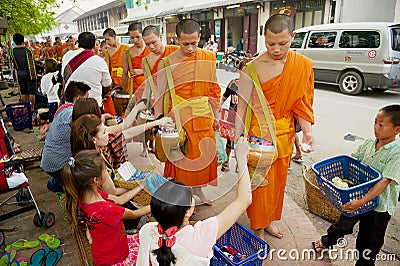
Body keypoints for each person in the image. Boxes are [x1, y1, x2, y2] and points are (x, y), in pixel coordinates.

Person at [234, 14, 315, 240]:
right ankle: (257, 227)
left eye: (283, 43)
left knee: (277, 183)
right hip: (259, 137)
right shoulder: (252, 68)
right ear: (263, 38)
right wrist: (236, 138)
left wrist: (308, 133)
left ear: (293, 37)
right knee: (260, 185)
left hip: (284, 134)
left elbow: (302, 104)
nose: (276, 49)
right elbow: (241, 107)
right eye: (270, 44)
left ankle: (268, 220)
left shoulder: (302, 66)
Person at [137, 136, 252, 265]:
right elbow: (244, 200)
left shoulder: (148, 230)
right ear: (188, 211)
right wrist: (241, 158)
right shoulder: (201, 235)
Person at [313, 104, 400, 266]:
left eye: (381, 125)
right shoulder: (368, 144)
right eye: (375, 122)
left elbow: (385, 181)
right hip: (356, 196)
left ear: (397, 129)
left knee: (369, 240)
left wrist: (362, 202)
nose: (376, 128)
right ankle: (327, 241)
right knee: (342, 226)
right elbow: (352, 162)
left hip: (379, 206)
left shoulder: (397, 152)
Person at [154, 19, 221, 205]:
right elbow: (159, 94)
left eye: (194, 43)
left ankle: (198, 191)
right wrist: (159, 121)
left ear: (200, 37)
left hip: (202, 116)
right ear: (176, 39)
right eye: (185, 44)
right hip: (178, 118)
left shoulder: (208, 57)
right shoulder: (167, 63)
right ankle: (184, 199)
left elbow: (213, 89)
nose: (190, 48)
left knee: (203, 156)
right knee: (182, 160)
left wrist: (217, 115)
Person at [62, 149, 151, 265]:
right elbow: (134, 214)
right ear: (95, 180)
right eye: (105, 170)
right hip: (116, 255)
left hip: (102, 252)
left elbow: (119, 199)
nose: (108, 172)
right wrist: (157, 205)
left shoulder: (84, 195)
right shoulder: (106, 209)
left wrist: (141, 185)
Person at [130, 24, 179, 157]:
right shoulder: (147, 61)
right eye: (147, 44)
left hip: (178, 101)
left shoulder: (176, 51)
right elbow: (148, 86)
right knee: (166, 142)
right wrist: (142, 105)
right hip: (160, 103)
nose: (151, 47)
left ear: (160, 37)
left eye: (154, 42)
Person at [40, 81, 90, 192]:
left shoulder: (63, 108)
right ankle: (59, 184)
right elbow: (87, 132)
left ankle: (58, 181)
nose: (87, 102)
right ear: (77, 99)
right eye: (86, 99)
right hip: (57, 165)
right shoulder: (71, 113)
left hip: (48, 161)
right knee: (84, 188)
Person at [61, 32, 112, 111]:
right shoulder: (99, 61)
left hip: (71, 107)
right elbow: (107, 83)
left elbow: (63, 76)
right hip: (93, 106)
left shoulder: (67, 56)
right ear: (94, 45)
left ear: (78, 43)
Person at [220, 59, 249, 172]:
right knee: (229, 141)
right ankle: (226, 161)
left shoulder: (253, 86)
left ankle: (239, 163)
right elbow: (224, 97)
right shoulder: (233, 84)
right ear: (239, 71)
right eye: (244, 71)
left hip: (245, 119)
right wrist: (218, 107)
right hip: (232, 117)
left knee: (242, 141)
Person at [103, 28, 131, 115]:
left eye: (108, 39)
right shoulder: (107, 52)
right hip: (115, 80)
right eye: (105, 40)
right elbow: (108, 67)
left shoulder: (126, 48)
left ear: (114, 37)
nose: (107, 42)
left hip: (126, 78)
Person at [10, 33, 37, 111]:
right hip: (30, 74)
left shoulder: (12, 51)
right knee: (32, 92)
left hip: (20, 73)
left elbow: (14, 65)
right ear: (23, 40)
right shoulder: (28, 50)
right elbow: (32, 65)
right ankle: (31, 109)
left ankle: (26, 109)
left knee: (24, 92)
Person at [122, 23, 150, 100]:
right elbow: (124, 73)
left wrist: (141, 71)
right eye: (132, 38)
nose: (135, 40)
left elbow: (158, 69)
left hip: (150, 86)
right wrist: (123, 89)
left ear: (143, 35)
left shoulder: (152, 49)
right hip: (134, 87)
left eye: (138, 37)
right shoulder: (127, 53)